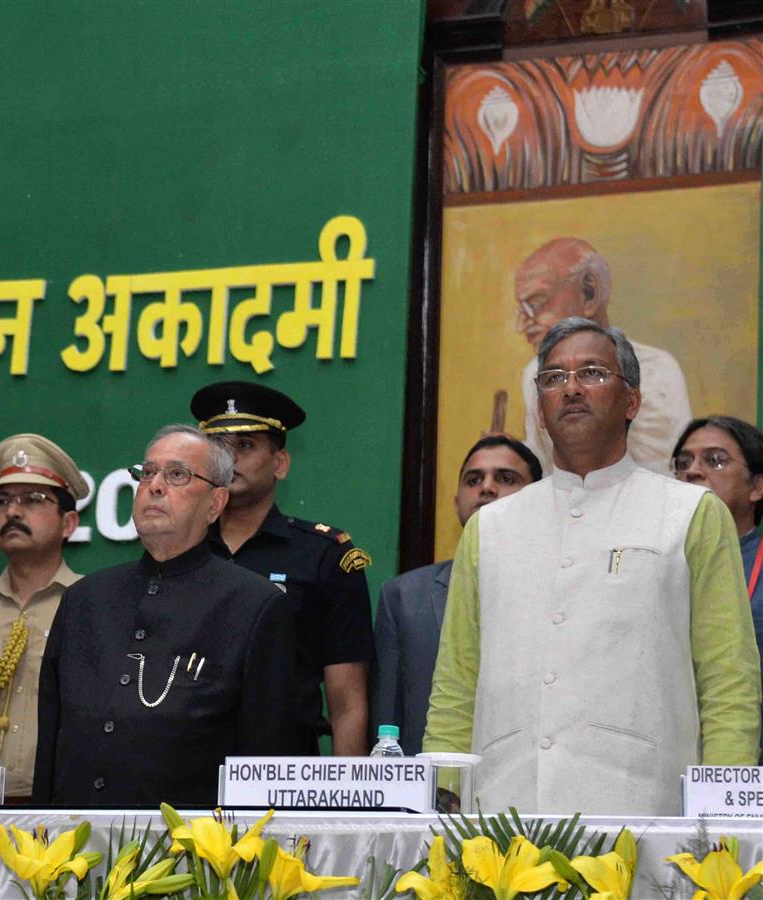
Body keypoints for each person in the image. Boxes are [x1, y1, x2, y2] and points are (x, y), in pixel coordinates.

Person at [425, 317, 760, 815]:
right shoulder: (491, 527)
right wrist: (442, 787)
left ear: (632, 401)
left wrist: (724, 810)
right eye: (554, 378)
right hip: (502, 809)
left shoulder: (690, 513)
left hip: (643, 804)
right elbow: (456, 680)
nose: (572, 389)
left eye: (593, 373)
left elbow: (727, 678)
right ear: (540, 408)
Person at [32, 425, 299, 807]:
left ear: (215, 503)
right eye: (147, 473)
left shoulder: (254, 605)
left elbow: (265, 759)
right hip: (74, 847)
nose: (155, 486)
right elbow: (53, 742)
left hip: (192, 852)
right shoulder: (84, 600)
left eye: (177, 475)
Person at [191, 381, 374, 755]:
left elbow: (348, 705)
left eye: (245, 445)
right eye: (219, 448)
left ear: (280, 463)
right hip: (184, 765)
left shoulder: (323, 555)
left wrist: (345, 807)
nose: (230, 459)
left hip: (282, 771)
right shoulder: (182, 548)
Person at [371, 435, 541, 755]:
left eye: (506, 478)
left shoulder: (559, 587)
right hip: (433, 786)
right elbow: (386, 721)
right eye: (473, 480)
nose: (487, 488)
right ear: (456, 501)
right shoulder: (405, 596)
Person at [0, 433, 88, 801]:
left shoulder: (93, 607)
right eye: (3, 501)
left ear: (68, 523)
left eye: (32, 500)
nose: (12, 512)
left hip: (58, 806)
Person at [514, 237, 691, 476]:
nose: (523, 325)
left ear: (589, 292)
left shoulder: (656, 372)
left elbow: (665, 479)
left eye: (535, 304)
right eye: (555, 378)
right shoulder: (533, 374)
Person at [672, 415, 763, 761]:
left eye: (715, 460)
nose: (692, 471)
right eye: (683, 462)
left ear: (757, 487)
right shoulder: (658, 561)